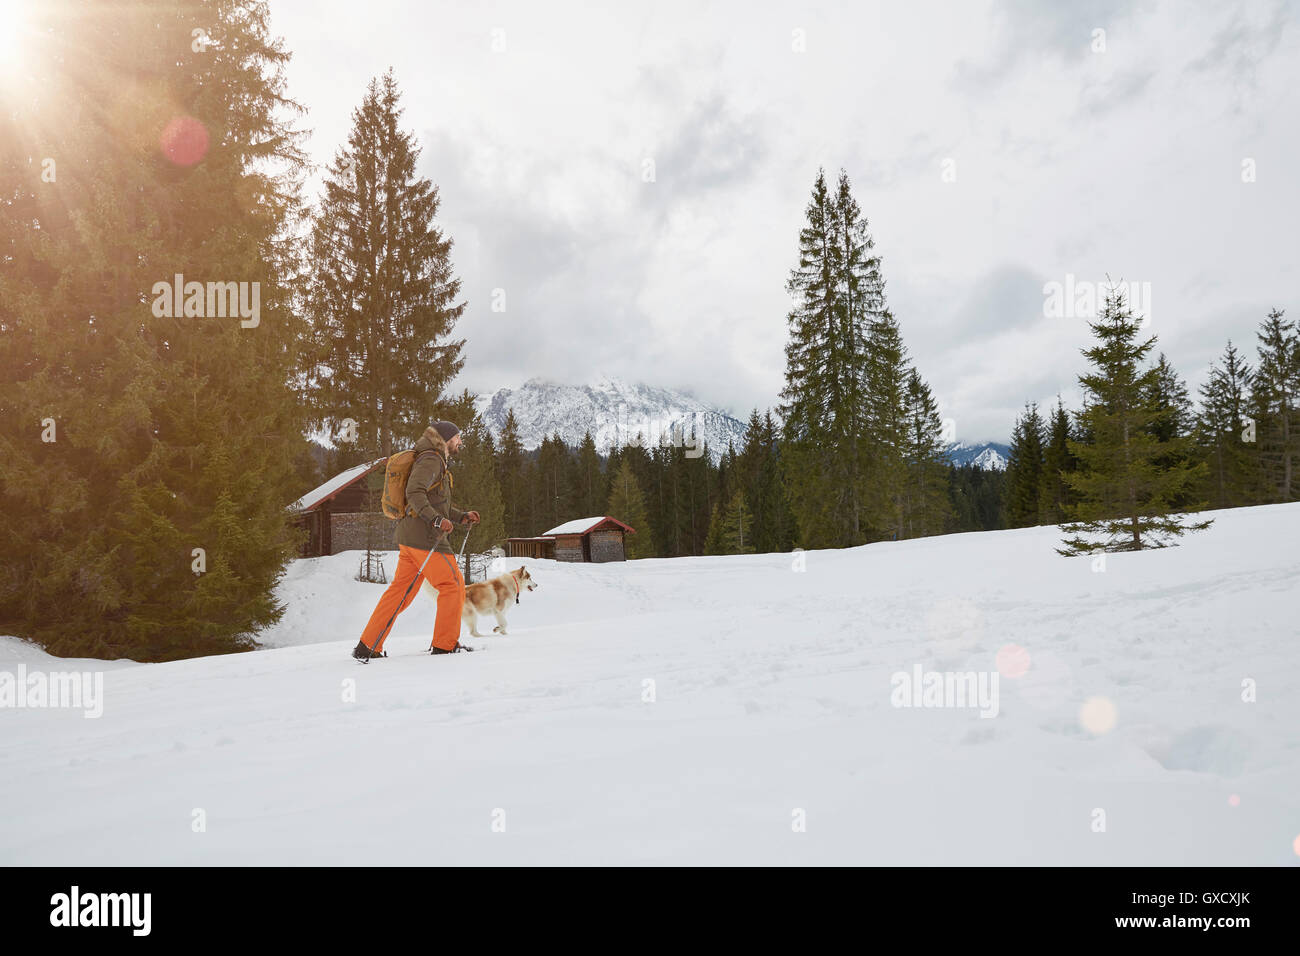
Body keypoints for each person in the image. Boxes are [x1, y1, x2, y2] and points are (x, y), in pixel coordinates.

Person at [352, 421, 480, 660]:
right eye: (457, 437)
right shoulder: (431, 459)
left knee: (400, 593)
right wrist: (435, 521)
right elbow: (414, 493)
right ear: (446, 439)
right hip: (424, 538)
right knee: (453, 585)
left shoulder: (430, 458)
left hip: (409, 538)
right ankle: (445, 645)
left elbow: (436, 501)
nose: (460, 441)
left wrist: (460, 516)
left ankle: (368, 645)